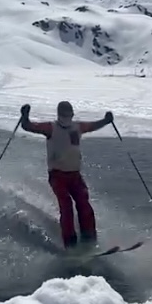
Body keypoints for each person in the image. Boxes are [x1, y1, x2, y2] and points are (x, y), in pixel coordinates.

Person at [20, 101, 114, 249]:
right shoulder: (51, 128)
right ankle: (70, 243)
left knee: (84, 204)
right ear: (59, 115)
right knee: (67, 206)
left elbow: (93, 125)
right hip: (58, 176)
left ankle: (89, 239)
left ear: (72, 114)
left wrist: (106, 120)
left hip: (75, 175)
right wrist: (25, 117)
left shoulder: (77, 127)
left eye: (69, 114)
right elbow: (29, 126)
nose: (67, 117)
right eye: (64, 115)